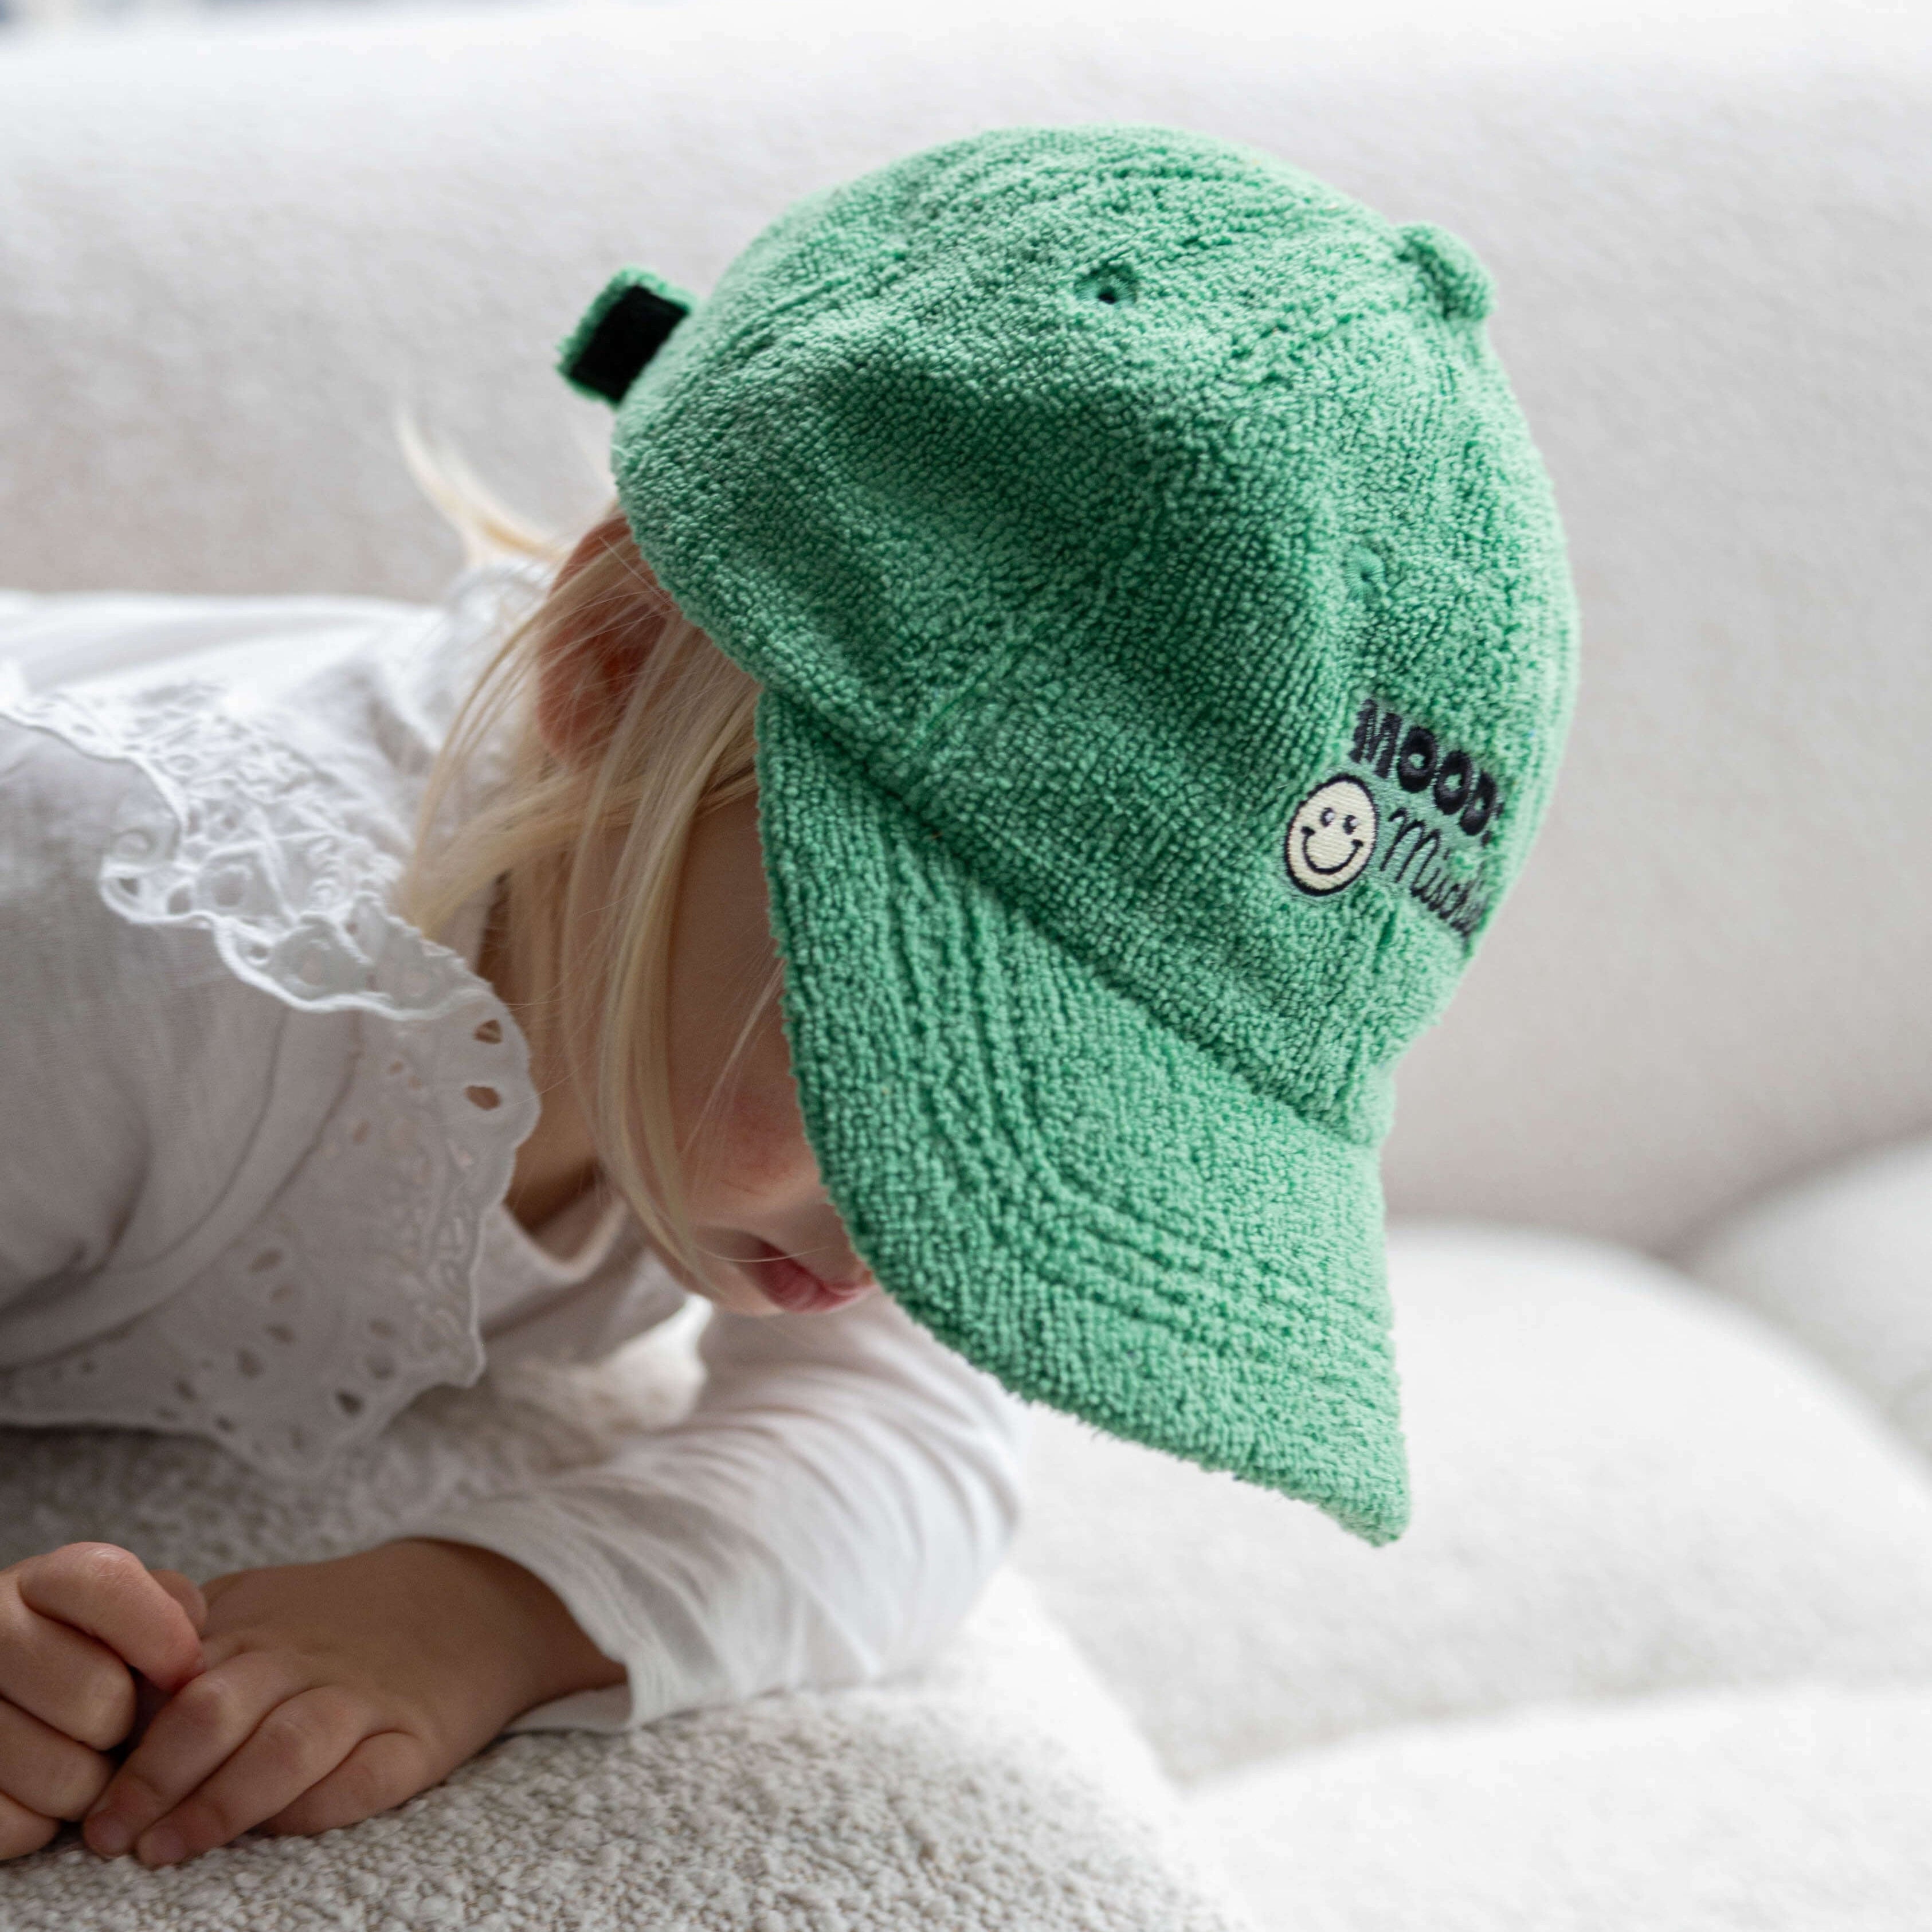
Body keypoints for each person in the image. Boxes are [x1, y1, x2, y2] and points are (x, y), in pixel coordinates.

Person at [0, 122, 1578, 1868]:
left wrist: (493, 1606)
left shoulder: (697, 999)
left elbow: (910, 1444)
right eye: (929, 1061)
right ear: (610, 671)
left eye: (1092, 1150)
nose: (932, 1226)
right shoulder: (138, 949)